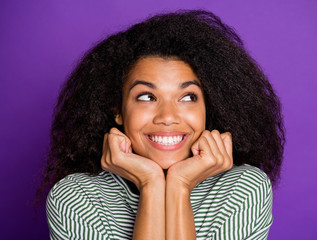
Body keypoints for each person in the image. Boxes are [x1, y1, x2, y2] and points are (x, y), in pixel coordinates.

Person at [43, 10, 285, 240]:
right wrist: (151, 184)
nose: (167, 116)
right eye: (147, 97)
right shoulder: (76, 197)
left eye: (188, 97)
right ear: (117, 110)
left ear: (209, 107)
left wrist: (180, 185)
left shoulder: (242, 189)